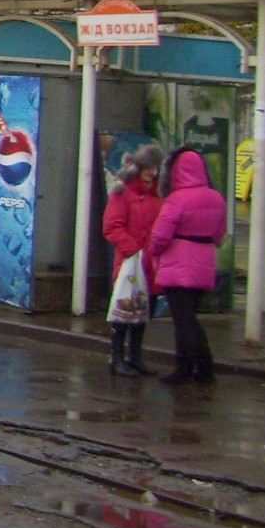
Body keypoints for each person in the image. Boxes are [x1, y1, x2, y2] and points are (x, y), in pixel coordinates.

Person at [147, 147, 226, 387]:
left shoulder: (177, 199)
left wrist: (154, 252)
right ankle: (205, 368)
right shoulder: (216, 198)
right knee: (191, 317)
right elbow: (219, 235)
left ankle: (184, 369)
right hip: (204, 262)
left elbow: (160, 235)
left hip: (178, 263)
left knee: (182, 321)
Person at [101, 142, 164, 376]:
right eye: (148, 167)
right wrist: (133, 250)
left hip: (151, 265)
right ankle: (117, 357)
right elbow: (112, 227)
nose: (152, 173)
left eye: (155, 168)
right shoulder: (123, 193)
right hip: (130, 263)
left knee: (144, 312)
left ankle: (135, 357)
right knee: (123, 312)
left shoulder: (159, 195)